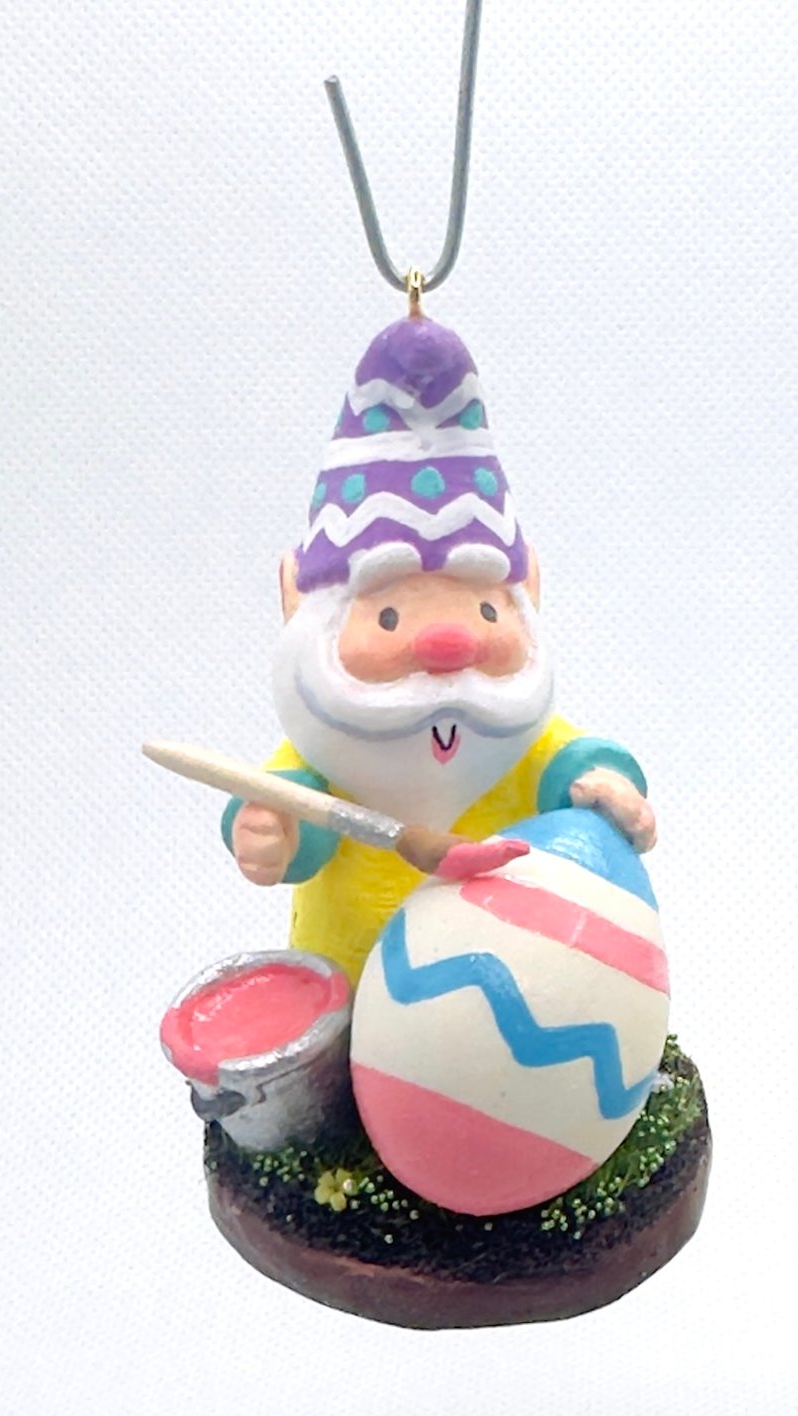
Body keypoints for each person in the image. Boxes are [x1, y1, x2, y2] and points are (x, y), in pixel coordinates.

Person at [225, 314, 651, 982]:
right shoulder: (332, 754)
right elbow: (296, 809)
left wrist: (603, 785)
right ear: (295, 601)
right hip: (354, 986)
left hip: (514, 986)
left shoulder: (514, 740)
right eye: (389, 616)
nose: (448, 646)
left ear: (529, 592)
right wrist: (272, 831)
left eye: (486, 611)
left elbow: (570, 760)